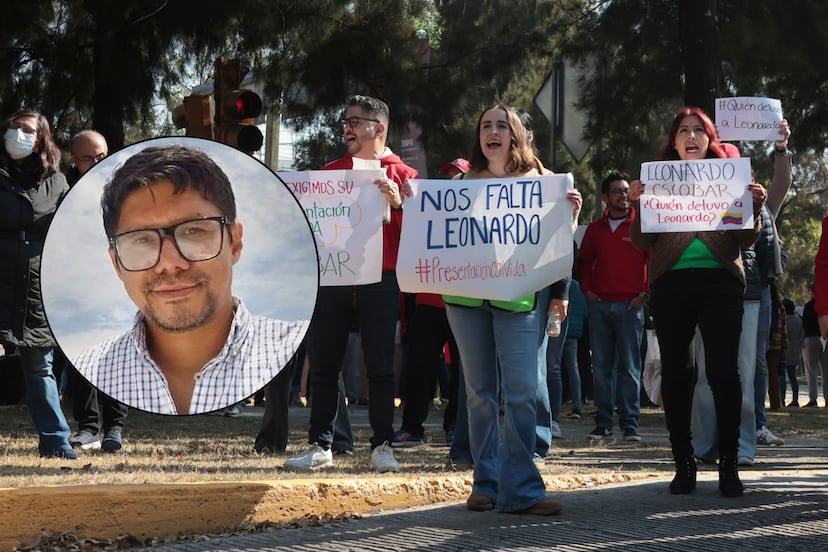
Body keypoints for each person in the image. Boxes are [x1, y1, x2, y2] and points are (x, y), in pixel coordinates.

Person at [72, 145, 308, 415]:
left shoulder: (289, 344)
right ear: (116, 263)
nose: (170, 263)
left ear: (235, 243)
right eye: (142, 239)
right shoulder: (93, 368)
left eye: (193, 231)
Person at [443, 103, 578, 515]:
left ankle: (521, 489)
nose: (493, 131)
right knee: (479, 393)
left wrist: (568, 221)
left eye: (503, 125)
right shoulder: (460, 184)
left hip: (521, 298)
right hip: (466, 300)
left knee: (521, 391)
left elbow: (556, 247)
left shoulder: (543, 183)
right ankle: (485, 483)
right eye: (486, 125)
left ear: (517, 134)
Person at [629, 106, 767, 497]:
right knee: (677, 372)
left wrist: (753, 206)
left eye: (699, 131)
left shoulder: (730, 177)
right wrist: (639, 204)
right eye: (683, 131)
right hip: (671, 285)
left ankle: (728, 463)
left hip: (721, 283)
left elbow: (745, 240)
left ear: (710, 140)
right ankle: (683, 462)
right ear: (673, 142)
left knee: (724, 372)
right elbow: (641, 242)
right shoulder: (655, 181)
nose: (691, 137)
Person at [284, 95, 417, 473]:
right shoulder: (329, 172)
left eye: (356, 121)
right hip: (334, 278)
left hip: (383, 281)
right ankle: (320, 444)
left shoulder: (405, 176)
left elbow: (423, 238)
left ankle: (382, 446)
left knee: (379, 368)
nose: (347, 128)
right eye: (345, 121)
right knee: (324, 364)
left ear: (379, 128)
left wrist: (400, 206)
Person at [691, 123, 792, 465]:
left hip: (752, 296)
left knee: (745, 374)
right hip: (709, 294)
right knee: (705, 374)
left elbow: (782, 183)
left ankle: (742, 447)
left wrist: (780, 149)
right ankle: (704, 446)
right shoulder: (699, 203)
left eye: (738, 169)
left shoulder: (761, 206)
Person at [1, 108, 76, 458]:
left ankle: (57, 443)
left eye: (26, 129)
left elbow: (68, 232)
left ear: (41, 137)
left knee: (40, 366)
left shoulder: (58, 182)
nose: (18, 134)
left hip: (35, 284)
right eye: (13, 128)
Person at [59, 130, 129, 451]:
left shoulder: (124, 184)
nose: (98, 162)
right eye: (89, 158)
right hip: (75, 285)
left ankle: (114, 428)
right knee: (80, 357)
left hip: (114, 282)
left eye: (101, 155)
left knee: (115, 357)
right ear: (76, 160)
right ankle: (87, 427)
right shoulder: (63, 189)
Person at [578, 171, 649, 442]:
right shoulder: (595, 229)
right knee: (602, 367)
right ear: (606, 198)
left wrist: (645, 294)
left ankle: (630, 424)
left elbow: (654, 260)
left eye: (625, 191)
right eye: (617, 192)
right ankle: (604, 422)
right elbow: (584, 262)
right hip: (600, 306)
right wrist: (587, 291)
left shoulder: (640, 224)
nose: (623, 195)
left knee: (630, 368)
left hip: (631, 306)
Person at [801, 292, 826, 407]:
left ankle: (813, 398)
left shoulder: (808, 306)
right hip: (825, 338)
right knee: (826, 371)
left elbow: (804, 323)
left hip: (811, 338)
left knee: (811, 371)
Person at [780, 298, 803, 407]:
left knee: (782, 377)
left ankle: (782, 399)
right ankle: (795, 399)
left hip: (784, 350)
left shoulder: (783, 319)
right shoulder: (798, 320)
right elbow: (801, 336)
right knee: (793, 377)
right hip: (795, 351)